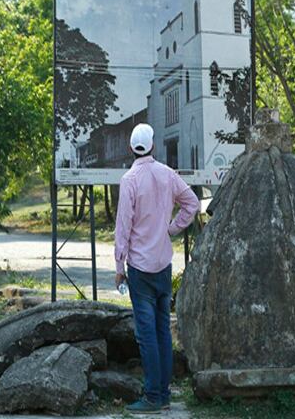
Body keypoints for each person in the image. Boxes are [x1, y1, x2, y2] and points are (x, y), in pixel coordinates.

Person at [114, 123, 199, 414]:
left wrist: (118, 265)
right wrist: (172, 229)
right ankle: (163, 394)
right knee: (163, 331)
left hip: (139, 268)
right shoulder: (167, 174)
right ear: (153, 146)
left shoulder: (129, 179)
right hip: (163, 265)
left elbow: (123, 225)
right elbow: (193, 204)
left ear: (131, 148)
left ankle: (152, 396)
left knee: (147, 335)